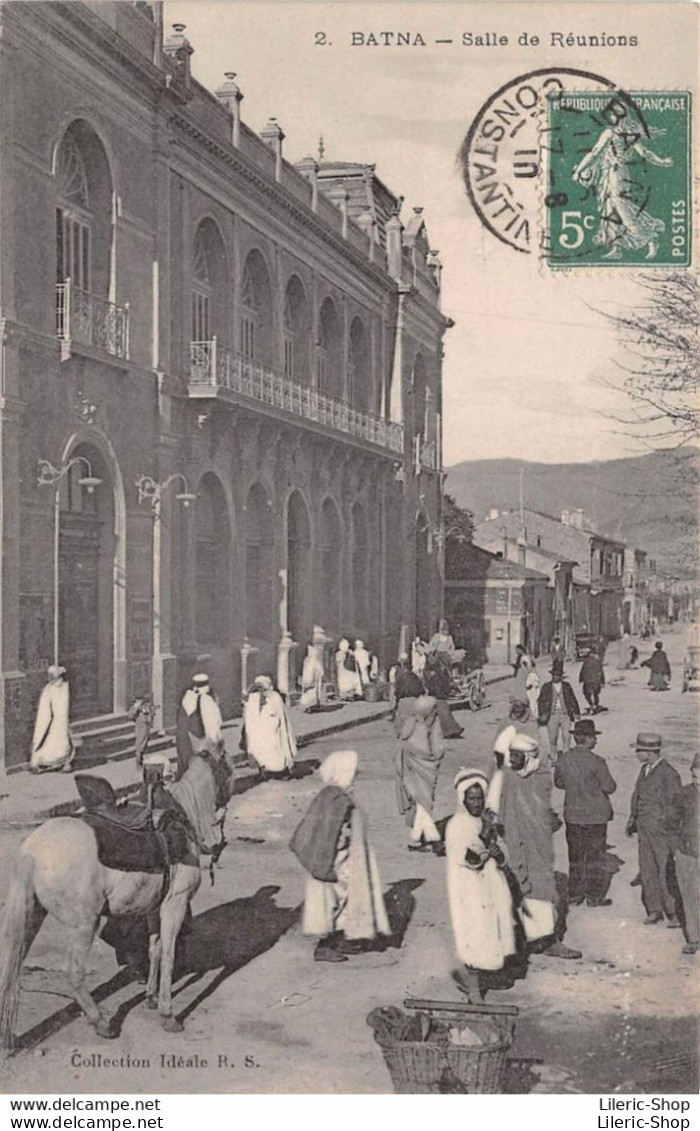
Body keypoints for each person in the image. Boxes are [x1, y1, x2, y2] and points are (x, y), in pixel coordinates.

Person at [290, 750, 390, 962]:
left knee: (344, 899)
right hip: (334, 862)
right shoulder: (337, 799)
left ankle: (342, 939)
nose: (355, 776)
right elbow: (329, 834)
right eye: (352, 772)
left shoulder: (334, 795)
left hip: (340, 860)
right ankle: (324, 946)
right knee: (332, 902)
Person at [488, 733, 581, 959]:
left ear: (529, 757)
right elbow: (495, 807)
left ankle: (548, 940)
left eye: (518, 756)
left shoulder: (540, 776)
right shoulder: (506, 777)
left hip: (537, 846)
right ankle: (518, 942)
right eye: (512, 755)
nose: (513, 760)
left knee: (543, 890)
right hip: (512, 842)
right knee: (512, 888)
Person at [446, 768, 516, 1003]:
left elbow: (502, 852)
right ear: (462, 798)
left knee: (490, 930)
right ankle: (474, 989)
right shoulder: (457, 825)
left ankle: (484, 976)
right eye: (471, 798)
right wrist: (485, 834)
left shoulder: (485, 820)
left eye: (479, 798)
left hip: (489, 887)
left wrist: (498, 854)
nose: (476, 803)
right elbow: (470, 859)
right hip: (468, 889)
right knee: (472, 933)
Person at [571, 113, 672, 260]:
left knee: (621, 207)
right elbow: (646, 154)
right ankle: (616, 248)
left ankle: (649, 236)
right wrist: (662, 161)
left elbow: (594, 154)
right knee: (609, 208)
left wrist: (579, 170)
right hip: (611, 173)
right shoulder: (628, 135)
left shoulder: (611, 133)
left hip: (615, 173)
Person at [554, 718, 617, 907]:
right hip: (595, 817)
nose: (596, 741)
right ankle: (594, 896)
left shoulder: (564, 759)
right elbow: (610, 787)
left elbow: (558, 783)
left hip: (573, 815)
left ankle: (574, 895)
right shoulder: (597, 761)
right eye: (594, 737)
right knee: (595, 857)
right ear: (588, 739)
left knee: (575, 856)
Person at [626, 732, 681, 926]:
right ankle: (654, 909)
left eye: (638, 750)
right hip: (644, 829)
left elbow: (674, 806)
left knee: (665, 870)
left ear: (648, 752)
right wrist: (632, 821)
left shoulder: (669, 774)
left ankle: (673, 913)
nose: (636, 754)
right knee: (647, 868)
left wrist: (664, 825)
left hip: (661, 832)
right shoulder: (645, 769)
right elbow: (637, 795)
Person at [395, 694, 444, 852]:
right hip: (417, 769)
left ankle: (415, 839)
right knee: (424, 802)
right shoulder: (420, 725)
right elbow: (433, 750)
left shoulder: (421, 724)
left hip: (419, 769)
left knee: (422, 803)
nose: (436, 712)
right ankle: (433, 839)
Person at [668, 753, 699, 955]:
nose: (699, 783)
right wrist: (676, 850)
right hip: (687, 853)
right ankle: (694, 938)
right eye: (696, 778)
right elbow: (670, 823)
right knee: (689, 897)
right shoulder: (683, 794)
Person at [242, 674, 297, 781]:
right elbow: (248, 716)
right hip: (259, 731)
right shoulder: (252, 698)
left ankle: (282, 769)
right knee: (260, 750)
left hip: (272, 729)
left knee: (276, 749)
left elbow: (281, 715)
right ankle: (262, 770)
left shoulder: (274, 697)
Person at [175, 673, 223, 779]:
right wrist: (217, 745)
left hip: (184, 739)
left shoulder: (187, 697)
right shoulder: (206, 700)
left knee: (186, 769)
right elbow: (213, 726)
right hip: (199, 740)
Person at [30, 665, 74, 774]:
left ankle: (62, 761)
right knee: (50, 741)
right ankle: (54, 762)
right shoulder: (54, 688)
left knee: (57, 741)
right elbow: (46, 708)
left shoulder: (60, 688)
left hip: (59, 721)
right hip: (54, 721)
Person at [537, 659, 580, 757]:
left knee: (567, 736)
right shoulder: (546, 687)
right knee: (553, 737)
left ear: (561, 676)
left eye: (557, 675)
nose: (555, 677)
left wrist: (577, 712)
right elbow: (540, 701)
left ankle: (566, 755)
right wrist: (542, 713)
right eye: (553, 675)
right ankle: (553, 756)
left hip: (565, 714)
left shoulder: (566, 686)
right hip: (552, 715)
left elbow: (572, 699)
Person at [422, 655, 463, 739]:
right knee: (443, 713)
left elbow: (429, 683)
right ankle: (451, 730)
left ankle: (449, 730)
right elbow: (443, 682)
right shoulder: (437, 670)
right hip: (438, 694)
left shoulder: (430, 671)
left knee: (441, 714)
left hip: (436, 694)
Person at [392, 654, 425, 736]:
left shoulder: (400, 677)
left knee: (401, 716)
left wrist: (395, 703)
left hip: (403, 700)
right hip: (414, 699)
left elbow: (397, 691)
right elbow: (421, 690)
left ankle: (401, 732)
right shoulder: (415, 677)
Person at [128, 696, 156, 766]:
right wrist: (136, 708)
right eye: (139, 700)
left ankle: (141, 759)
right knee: (140, 743)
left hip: (146, 726)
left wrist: (152, 712)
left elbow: (150, 714)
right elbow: (130, 716)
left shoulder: (144, 706)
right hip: (140, 726)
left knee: (144, 743)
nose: (141, 701)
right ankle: (138, 762)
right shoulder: (135, 707)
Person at [300, 643, 325, 713]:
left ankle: (310, 707)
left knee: (310, 694)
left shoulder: (308, 661)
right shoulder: (310, 661)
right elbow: (320, 670)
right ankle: (311, 707)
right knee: (311, 694)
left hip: (309, 680)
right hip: (311, 680)